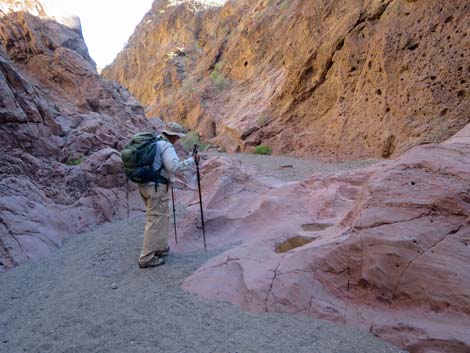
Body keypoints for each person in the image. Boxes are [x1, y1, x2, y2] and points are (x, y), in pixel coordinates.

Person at [137, 122, 200, 269]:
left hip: (145, 185)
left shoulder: (155, 141)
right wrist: (192, 160)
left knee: (160, 217)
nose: (177, 140)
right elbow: (174, 167)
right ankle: (146, 258)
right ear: (173, 136)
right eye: (177, 137)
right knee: (154, 220)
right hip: (156, 187)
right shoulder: (166, 146)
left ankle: (159, 248)